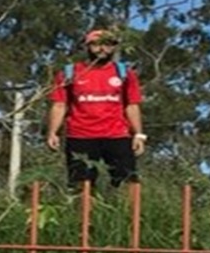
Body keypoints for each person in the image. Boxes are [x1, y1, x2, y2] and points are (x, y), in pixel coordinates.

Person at [44, 29, 145, 188]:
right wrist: (52, 132)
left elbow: (132, 105)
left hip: (117, 135)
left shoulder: (125, 74)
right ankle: (83, 212)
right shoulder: (70, 73)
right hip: (80, 136)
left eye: (107, 44)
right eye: (96, 44)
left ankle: (131, 212)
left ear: (113, 48)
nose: (102, 49)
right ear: (87, 46)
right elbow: (59, 104)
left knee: (128, 181)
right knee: (81, 183)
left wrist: (139, 135)